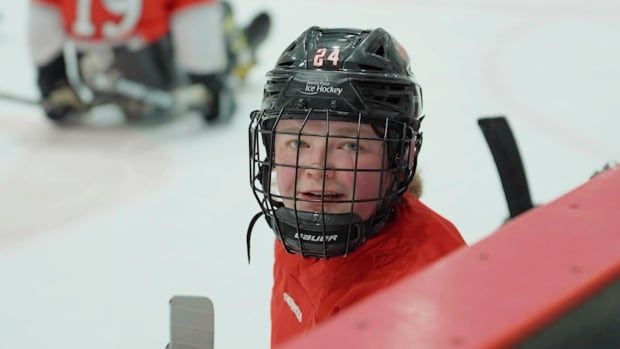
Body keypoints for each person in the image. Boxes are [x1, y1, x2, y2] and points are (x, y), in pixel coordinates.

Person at [247, 27, 467, 347]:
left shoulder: (423, 291)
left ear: (398, 159)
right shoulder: (303, 224)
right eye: (298, 142)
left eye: (350, 146)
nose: (317, 169)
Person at [28, 0, 269, 124]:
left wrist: (52, 80)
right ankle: (237, 53)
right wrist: (209, 81)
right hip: (156, 76)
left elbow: (43, 15)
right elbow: (195, 19)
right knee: (215, 11)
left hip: (92, 73)